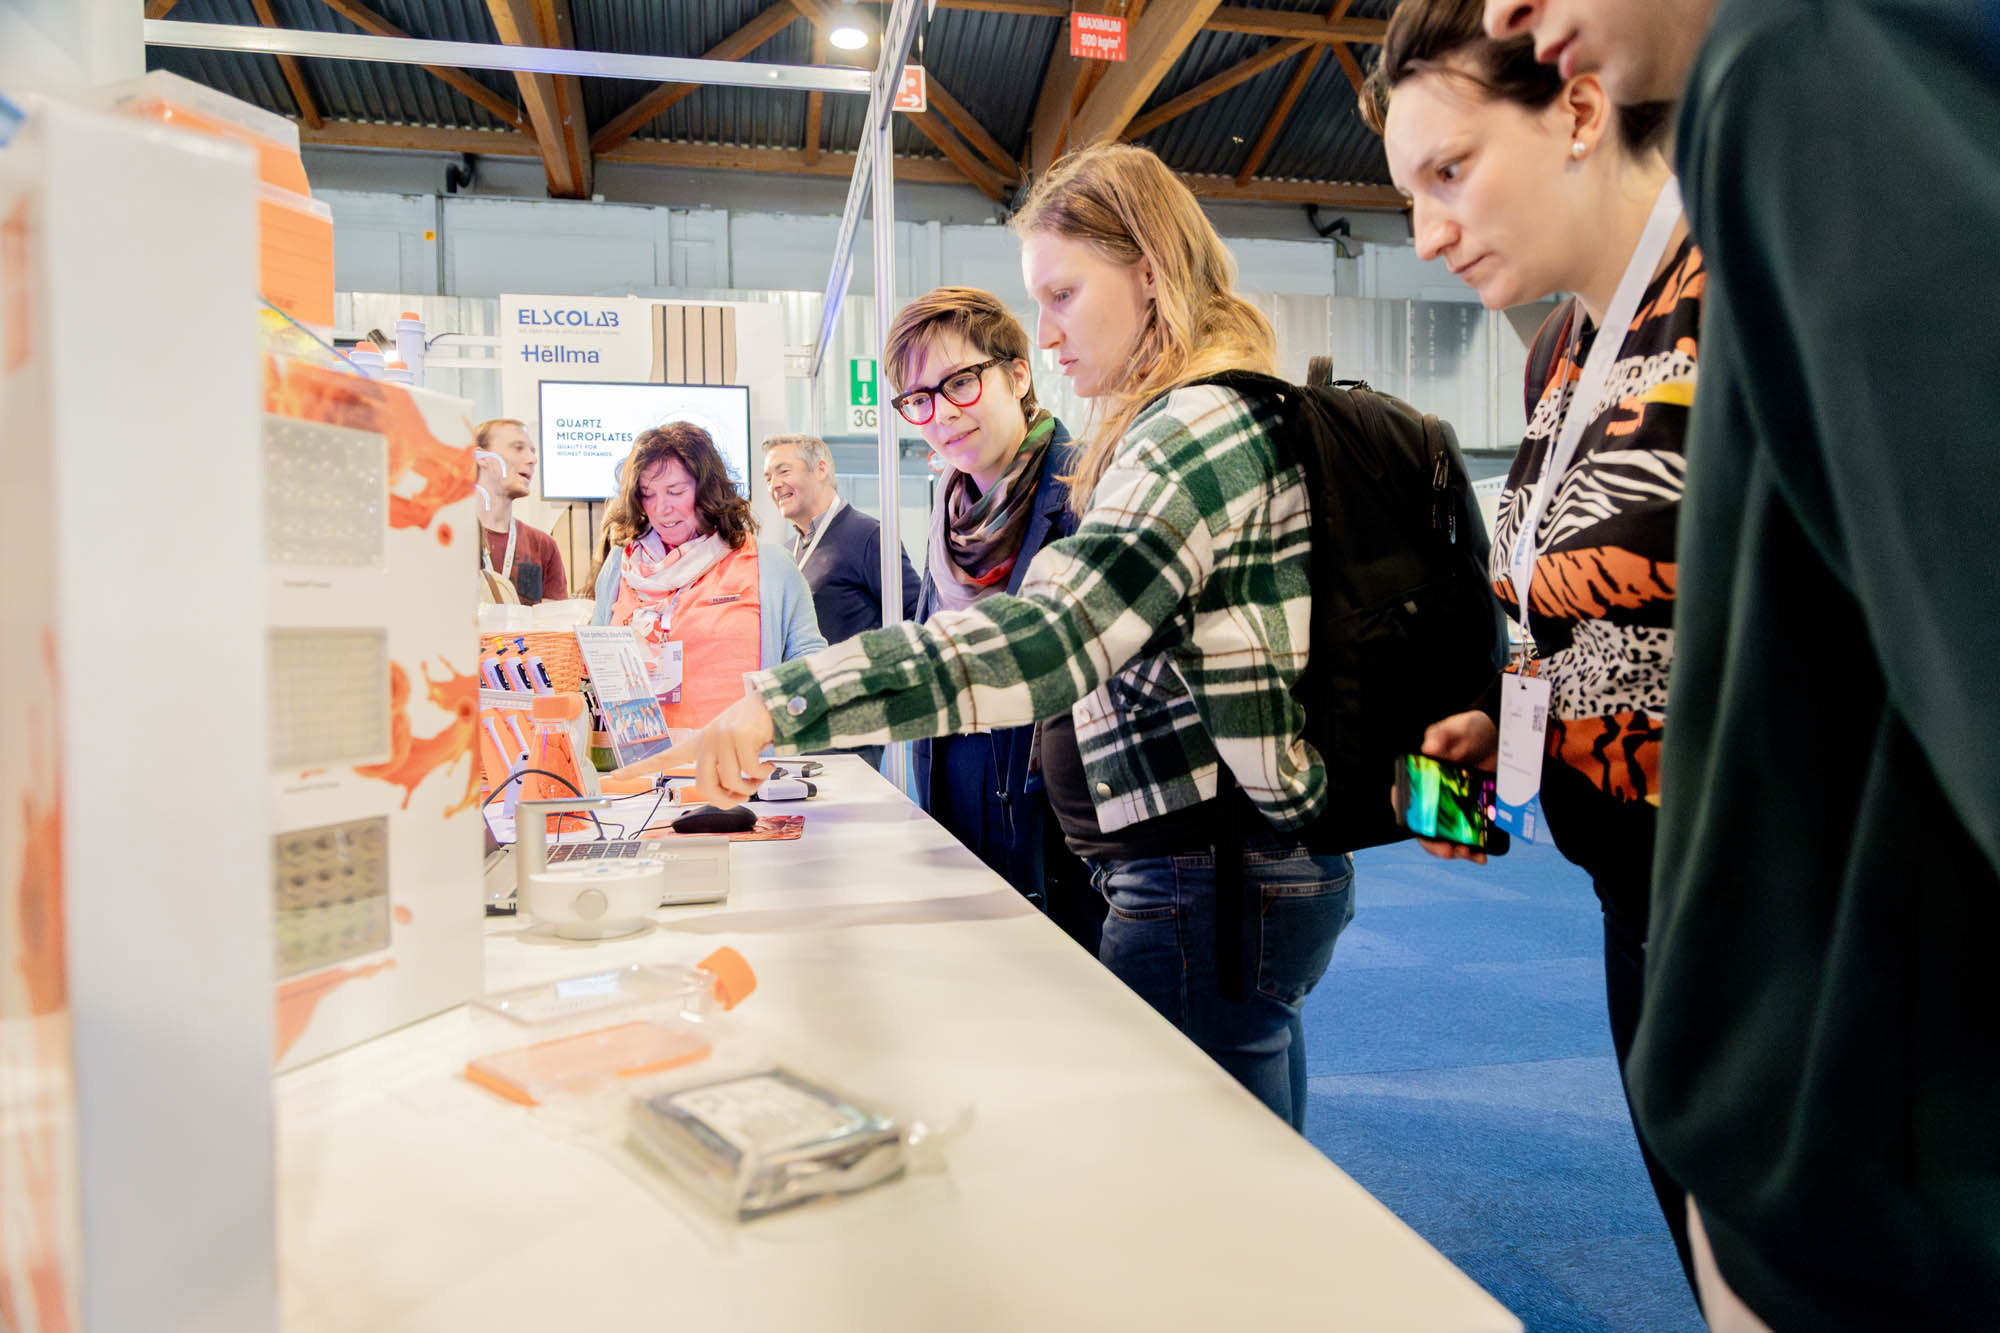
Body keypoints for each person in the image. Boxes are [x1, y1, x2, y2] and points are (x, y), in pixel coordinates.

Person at [654, 143, 1357, 1131]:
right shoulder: (1203, 414)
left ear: (1147, 270)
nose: (1051, 332)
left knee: (1199, 1180)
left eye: (1063, 294)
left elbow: (1043, 638)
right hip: (1226, 861)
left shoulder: (1189, 427)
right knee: (1250, 1150)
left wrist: (786, 700)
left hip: (1204, 869)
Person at [1484, 1, 2000, 1327]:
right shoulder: (1563, 346)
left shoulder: (1807, 61)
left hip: (1864, 1061)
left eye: (1453, 168)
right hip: (1709, 923)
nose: (1506, 11)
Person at [1360, 0, 1696, 1285]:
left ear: (1573, 105)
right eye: (1406, 192)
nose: (1426, 230)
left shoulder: (1742, 275)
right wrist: (1517, 713)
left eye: (1449, 172)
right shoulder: (1556, 347)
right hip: (1633, 891)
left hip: (1792, 913)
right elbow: (1600, 603)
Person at [882, 286, 1099, 952]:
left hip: (1068, 843)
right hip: (963, 816)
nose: (941, 413)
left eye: (961, 383)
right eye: (919, 399)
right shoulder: (953, 521)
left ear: (1018, 373)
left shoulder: (1088, 491)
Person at [591, 422, 826, 730]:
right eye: (648, 494)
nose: (662, 508)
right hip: (642, 768)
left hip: (738, 765)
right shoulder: (622, 564)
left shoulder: (768, 564)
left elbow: (809, 661)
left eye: (675, 491)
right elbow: (596, 663)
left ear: (707, 490)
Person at [761, 432, 918, 771]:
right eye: (768, 477)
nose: (774, 484)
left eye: (783, 471)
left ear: (820, 468)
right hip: (799, 722)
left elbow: (915, 611)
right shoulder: (788, 552)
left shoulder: (869, 536)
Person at [473, 418, 567, 604]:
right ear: (482, 458)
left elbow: (554, 623)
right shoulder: (449, 539)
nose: (532, 459)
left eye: (532, 451)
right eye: (518, 448)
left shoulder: (543, 545)